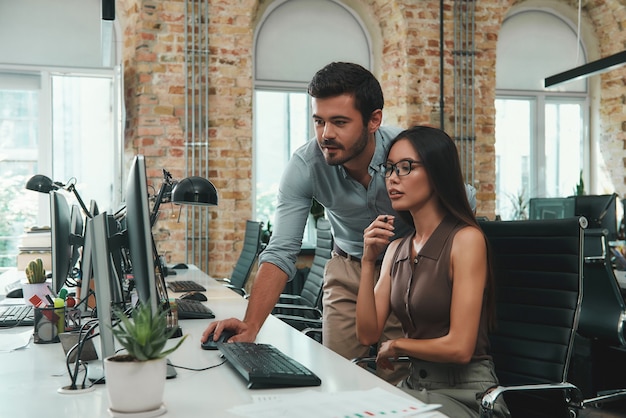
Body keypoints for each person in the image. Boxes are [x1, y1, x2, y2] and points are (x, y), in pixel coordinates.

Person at [202, 62, 474, 383]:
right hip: (348, 267)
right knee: (341, 375)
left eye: (339, 122)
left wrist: (432, 265)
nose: (326, 134)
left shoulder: (403, 151)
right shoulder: (306, 165)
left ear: (374, 120)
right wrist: (251, 325)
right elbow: (280, 251)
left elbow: (463, 199)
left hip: (404, 269)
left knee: (400, 379)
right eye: (319, 121)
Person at [356, 125, 509, 417]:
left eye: (405, 167)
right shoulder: (396, 249)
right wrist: (367, 262)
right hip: (416, 386)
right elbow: (367, 334)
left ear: (437, 173)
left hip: (467, 393)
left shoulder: (466, 240)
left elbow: (461, 348)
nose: (393, 179)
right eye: (389, 169)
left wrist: (398, 344)